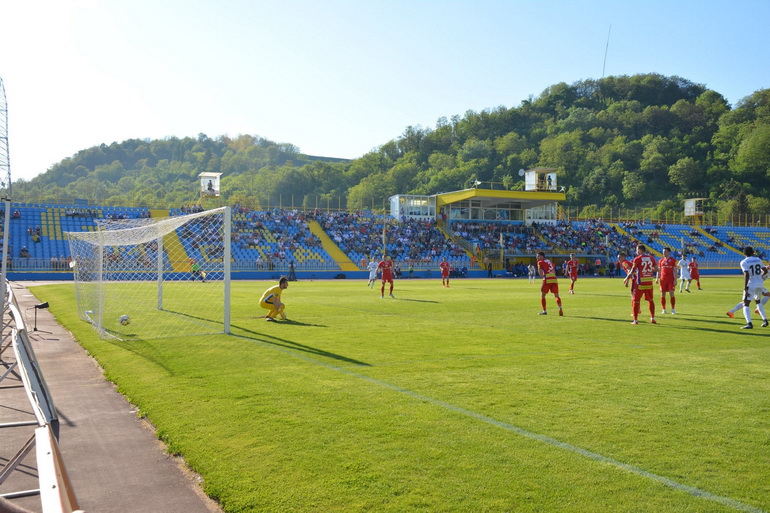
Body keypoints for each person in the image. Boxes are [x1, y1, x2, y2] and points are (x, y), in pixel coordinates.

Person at [623, 244, 659, 325]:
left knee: (636, 300)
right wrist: (648, 270)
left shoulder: (637, 259)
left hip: (640, 282)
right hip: (649, 281)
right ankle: (652, 318)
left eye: (637, 250)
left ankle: (635, 320)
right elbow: (657, 269)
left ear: (639, 250)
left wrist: (626, 278)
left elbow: (632, 271)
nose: (636, 252)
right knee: (650, 300)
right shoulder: (651, 258)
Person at [736, 246, 768, 329]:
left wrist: (745, 287)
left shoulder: (744, 262)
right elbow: (765, 270)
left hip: (751, 284)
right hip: (759, 284)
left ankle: (749, 323)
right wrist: (759, 277)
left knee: (746, 303)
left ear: (744, 253)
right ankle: (765, 320)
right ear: (753, 252)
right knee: (758, 301)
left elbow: (746, 274)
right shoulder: (758, 259)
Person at [536, 251, 563, 316]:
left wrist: (542, 277)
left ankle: (544, 311)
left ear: (542, 256)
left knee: (543, 295)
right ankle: (560, 308)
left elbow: (540, 272)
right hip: (554, 278)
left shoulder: (540, 262)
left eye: (538, 256)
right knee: (556, 295)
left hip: (547, 278)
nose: (537, 257)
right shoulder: (548, 260)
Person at [655, 247, 677, 314]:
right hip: (663, 279)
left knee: (671, 293)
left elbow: (675, 271)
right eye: (663, 251)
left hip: (670, 279)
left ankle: (673, 309)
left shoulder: (673, 260)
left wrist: (675, 279)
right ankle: (664, 309)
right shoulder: (661, 260)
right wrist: (657, 278)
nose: (664, 253)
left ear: (669, 252)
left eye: (665, 251)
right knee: (662, 294)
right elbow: (659, 270)